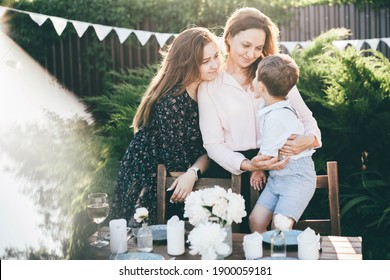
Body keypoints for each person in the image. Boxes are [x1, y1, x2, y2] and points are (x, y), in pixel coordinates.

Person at [198, 7, 321, 232]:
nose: (251, 53)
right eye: (246, 45)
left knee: (283, 234)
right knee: (240, 243)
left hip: (283, 169)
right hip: (235, 173)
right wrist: (248, 164)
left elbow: (307, 118)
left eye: (258, 47)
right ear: (228, 39)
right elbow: (213, 144)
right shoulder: (210, 86)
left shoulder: (273, 75)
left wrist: (310, 139)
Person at [111, 27, 221, 226]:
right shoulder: (172, 101)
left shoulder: (209, 91)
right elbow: (176, 171)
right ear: (186, 63)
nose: (215, 65)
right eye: (205, 61)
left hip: (183, 174)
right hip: (151, 174)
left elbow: (209, 148)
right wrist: (189, 175)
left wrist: (194, 172)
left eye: (216, 56)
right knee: (141, 233)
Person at [248, 54, 316, 233]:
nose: (253, 80)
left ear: (261, 86)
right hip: (278, 178)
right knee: (255, 220)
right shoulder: (271, 107)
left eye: (255, 77)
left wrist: (257, 168)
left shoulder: (277, 116)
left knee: (279, 227)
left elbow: (267, 154)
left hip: (297, 178)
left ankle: (277, 259)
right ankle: (263, 256)